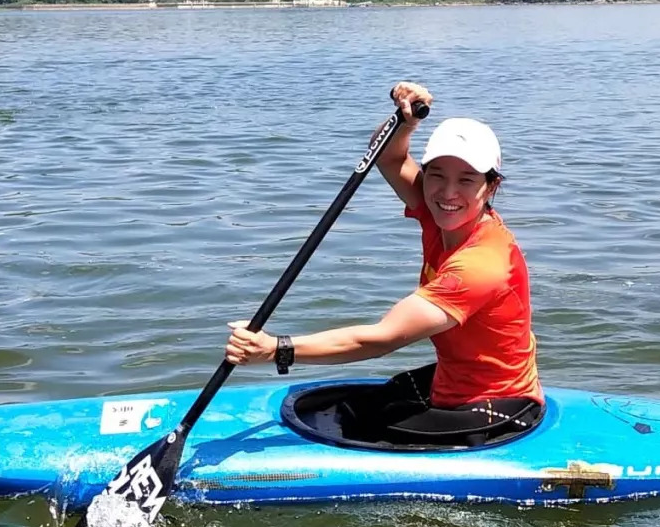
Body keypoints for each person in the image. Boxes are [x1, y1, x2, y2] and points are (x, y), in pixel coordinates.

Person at [224, 82, 542, 447]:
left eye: (466, 180)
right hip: (454, 379)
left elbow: (382, 338)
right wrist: (405, 121)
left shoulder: (480, 266)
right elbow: (389, 158)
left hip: (496, 408)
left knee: (362, 427)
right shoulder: (438, 211)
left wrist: (275, 349)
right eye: (436, 174)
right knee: (354, 406)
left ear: (491, 187)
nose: (448, 192)